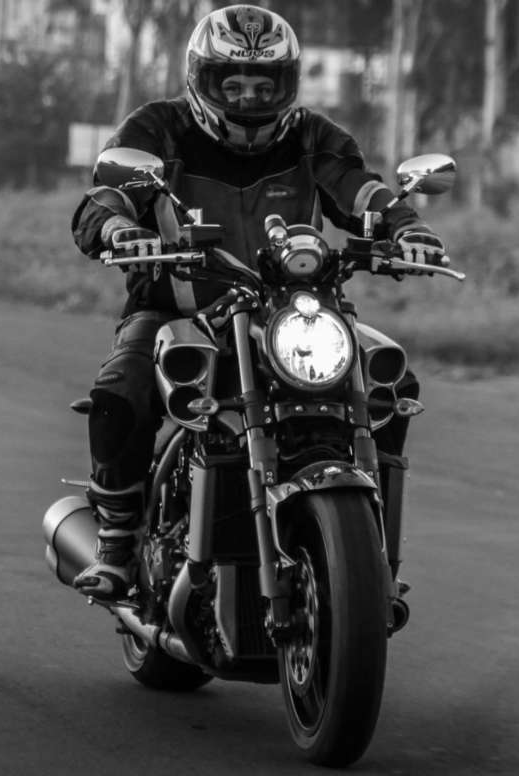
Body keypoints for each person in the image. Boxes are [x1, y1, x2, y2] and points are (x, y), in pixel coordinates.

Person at [67, 4, 446, 601]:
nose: (248, 98)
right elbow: (104, 197)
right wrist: (118, 229)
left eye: (264, 86)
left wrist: (406, 228)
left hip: (291, 313)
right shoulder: (158, 129)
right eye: (233, 84)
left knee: (388, 385)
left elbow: (360, 190)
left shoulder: (314, 136)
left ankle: (372, 560)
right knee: (122, 388)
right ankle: (117, 542)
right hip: (179, 312)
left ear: (287, 85)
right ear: (203, 79)